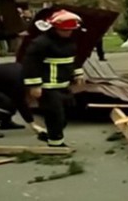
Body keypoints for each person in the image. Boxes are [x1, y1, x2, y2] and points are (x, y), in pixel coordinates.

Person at [21, 9, 84, 147]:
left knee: (67, 115)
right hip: (48, 87)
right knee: (55, 116)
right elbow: (30, 64)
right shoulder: (41, 43)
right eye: (65, 30)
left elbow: (74, 59)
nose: (69, 32)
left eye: (71, 30)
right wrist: (34, 85)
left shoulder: (69, 41)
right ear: (55, 28)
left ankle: (50, 135)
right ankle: (56, 144)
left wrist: (78, 73)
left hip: (64, 85)